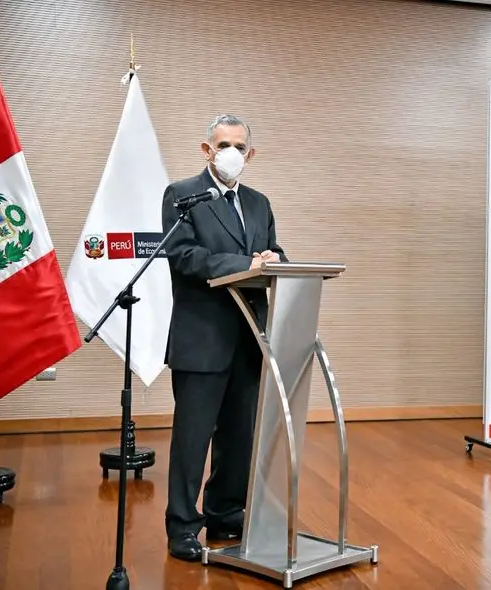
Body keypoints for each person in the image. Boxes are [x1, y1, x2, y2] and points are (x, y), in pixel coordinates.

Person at [160, 114, 287, 561]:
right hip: (202, 338)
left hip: (249, 337)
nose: (230, 152)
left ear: (250, 155)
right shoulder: (183, 195)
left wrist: (273, 258)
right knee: (192, 439)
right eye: (222, 145)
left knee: (238, 436)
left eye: (238, 146)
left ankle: (225, 512)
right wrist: (245, 264)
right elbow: (184, 256)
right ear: (206, 150)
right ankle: (182, 526)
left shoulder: (259, 203)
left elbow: (273, 252)